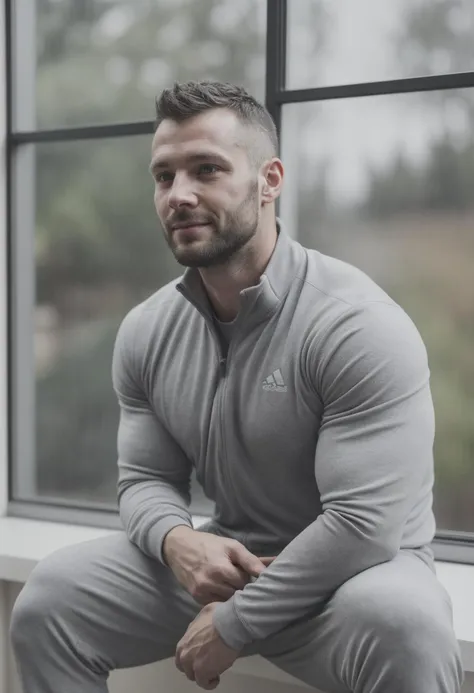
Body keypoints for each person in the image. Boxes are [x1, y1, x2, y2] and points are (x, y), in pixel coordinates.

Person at [10, 80, 463, 693]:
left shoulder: (358, 325)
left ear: (270, 180)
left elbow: (362, 525)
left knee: (405, 620)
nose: (180, 194)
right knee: (51, 600)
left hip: (353, 581)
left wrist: (236, 622)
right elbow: (144, 479)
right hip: (231, 559)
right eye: (164, 176)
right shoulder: (147, 330)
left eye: (206, 170)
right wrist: (178, 542)